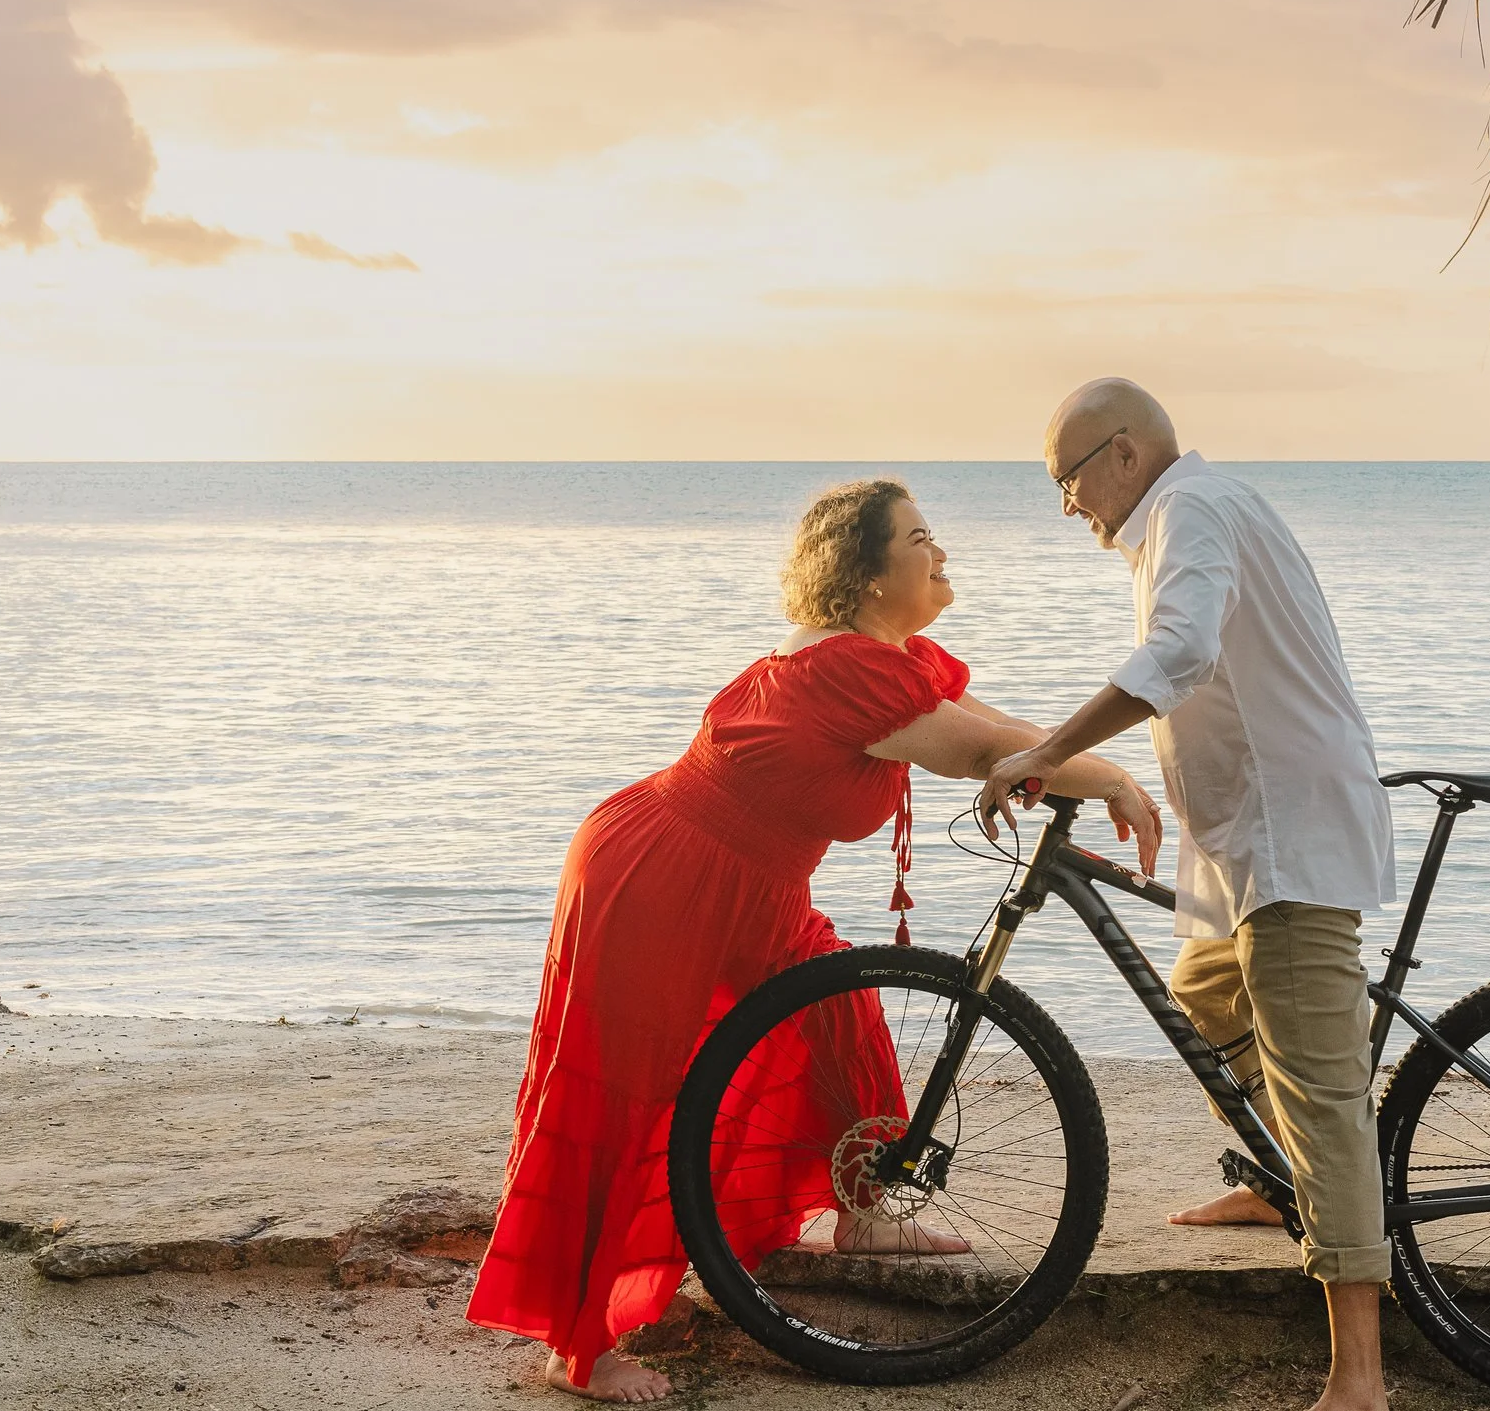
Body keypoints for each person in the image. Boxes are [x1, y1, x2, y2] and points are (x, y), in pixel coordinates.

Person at [468, 478, 1162, 1405]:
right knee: (631, 1092)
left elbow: (995, 731)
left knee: (838, 999)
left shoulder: (879, 657)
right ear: (871, 578)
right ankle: (581, 1345)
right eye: (920, 539)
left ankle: (862, 1209)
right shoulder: (850, 670)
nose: (941, 552)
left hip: (739, 875)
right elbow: (975, 752)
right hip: (669, 876)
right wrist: (1111, 773)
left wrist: (1100, 763)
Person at [980, 378, 1395, 1411]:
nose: (1067, 505)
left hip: (1287, 837)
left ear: (1122, 454)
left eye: (1068, 479)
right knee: (1206, 1005)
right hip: (1244, 837)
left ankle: (1360, 1378)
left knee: (1317, 1088)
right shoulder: (1189, 512)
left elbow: (1181, 649)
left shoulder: (1189, 510)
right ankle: (1273, 1185)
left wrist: (1049, 749)